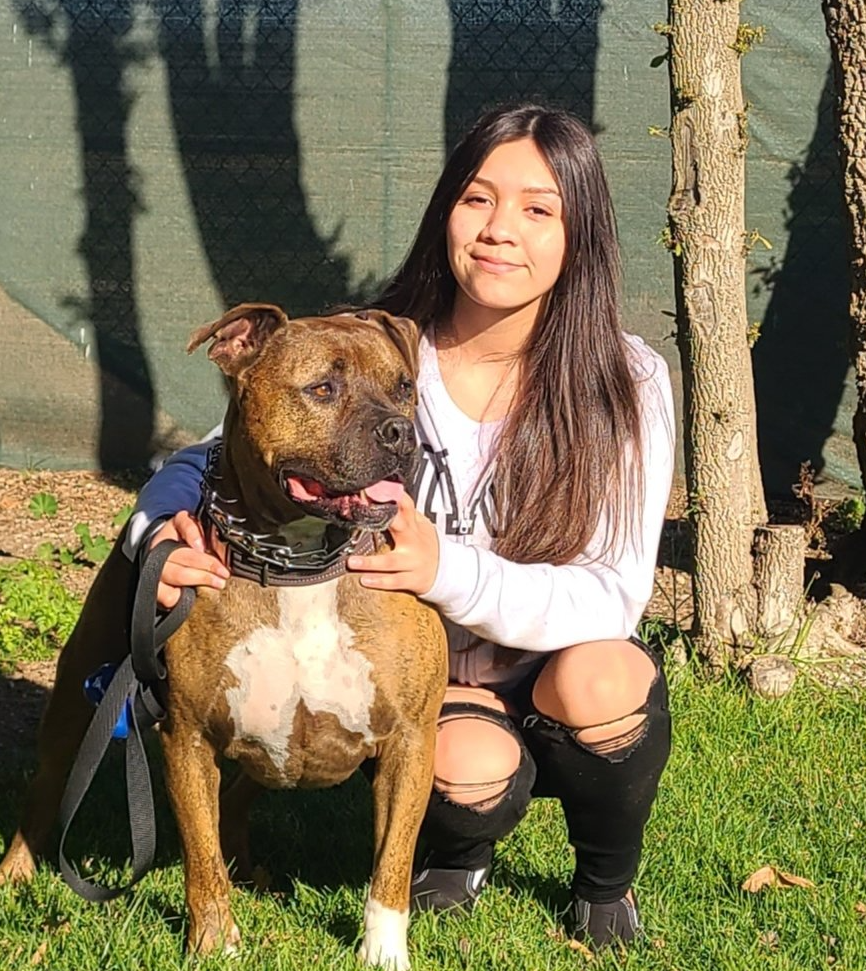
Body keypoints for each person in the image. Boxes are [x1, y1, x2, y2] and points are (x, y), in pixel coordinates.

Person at [125, 102, 675, 949]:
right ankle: (455, 856)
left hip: (557, 661)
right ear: (444, 209)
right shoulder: (379, 343)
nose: (499, 230)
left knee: (605, 680)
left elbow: (615, 595)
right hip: (434, 680)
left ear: (580, 234)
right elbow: (221, 449)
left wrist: (445, 571)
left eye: (537, 209)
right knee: (461, 767)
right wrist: (158, 528)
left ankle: (605, 883)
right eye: (477, 198)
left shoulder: (625, 378)